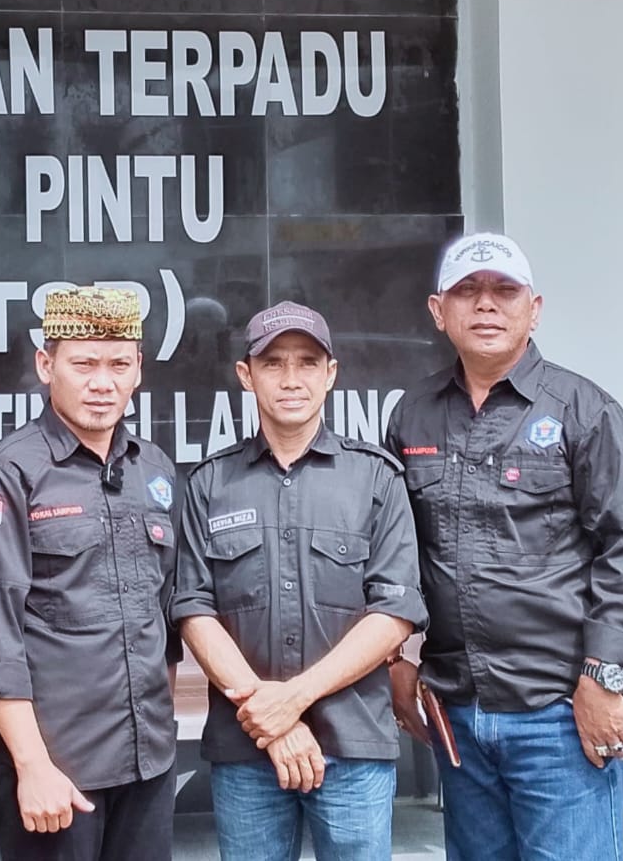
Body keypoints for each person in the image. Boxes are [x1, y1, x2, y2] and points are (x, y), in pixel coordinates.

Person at [385, 233, 623, 861]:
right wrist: (398, 657)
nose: (486, 304)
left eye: (504, 291)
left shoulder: (584, 410)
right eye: (467, 291)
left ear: (534, 310)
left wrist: (603, 676)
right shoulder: (413, 415)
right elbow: (400, 552)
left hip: (560, 711)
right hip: (458, 707)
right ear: (438, 311)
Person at [171, 301, 427, 861]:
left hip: (353, 747)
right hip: (247, 748)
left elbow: (393, 614)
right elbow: (193, 610)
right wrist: (272, 721)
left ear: (330, 374)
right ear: (246, 375)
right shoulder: (210, 483)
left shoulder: (376, 478)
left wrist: (292, 700)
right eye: (273, 363)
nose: (291, 379)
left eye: (308, 362)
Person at [0, 286, 181, 861]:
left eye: (119, 365)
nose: (102, 383)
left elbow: (164, 619)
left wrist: (160, 732)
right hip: (58, 767)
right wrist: (32, 766)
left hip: (149, 760)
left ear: (138, 370)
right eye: (84, 364)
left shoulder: (153, 469)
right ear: (45, 365)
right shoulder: (5, 473)